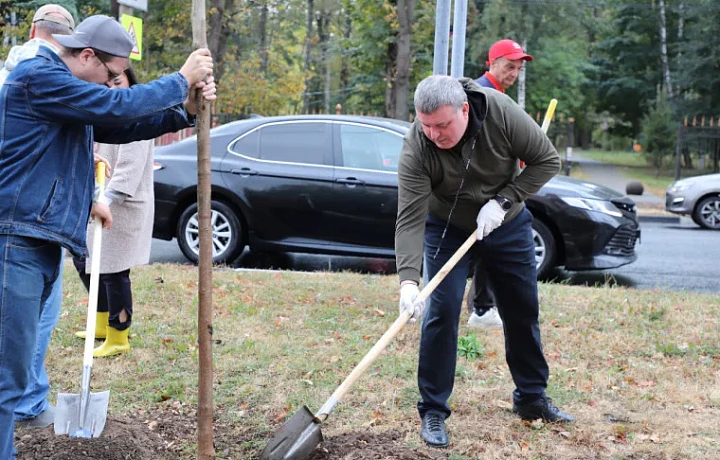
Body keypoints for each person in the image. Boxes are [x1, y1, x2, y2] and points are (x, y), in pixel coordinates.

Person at [0, 14, 216, 459]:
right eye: (112, 74)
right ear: (85, 56)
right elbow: (116, 108)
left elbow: (118, 126)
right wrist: (180, 80)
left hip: (36, 241)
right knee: (5, 382)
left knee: (13, 378)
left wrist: (186, 111)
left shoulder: (61, 93)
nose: (114, 84)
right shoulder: (38, 76)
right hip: (13, 242)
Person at [396, 75, 574, 448]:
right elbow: (410, 217)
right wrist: (409, 282)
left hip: (505, 222)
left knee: (521, 307)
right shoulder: (417, 145)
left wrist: (505, 200)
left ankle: (531, 398)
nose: (434, 135)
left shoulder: (502, 113)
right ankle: (433, 409)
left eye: (442, 125)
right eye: (426, 125)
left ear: (464, 109)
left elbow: (547, 160)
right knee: (441, 311)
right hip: (447, 225)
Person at [0, 3, 75, 430]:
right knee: (30, 324)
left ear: (31, 29)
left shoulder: (12, 73)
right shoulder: (42, 77)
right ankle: (25, 404)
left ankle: (28, 399)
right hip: (24, 221)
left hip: (34, 219)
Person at [72, 66, 155, 357]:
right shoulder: (105, 116)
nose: (111, 88)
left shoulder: (137, 119)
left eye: (117, 81)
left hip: (124, 205)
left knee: (113, 272)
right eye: (106, 82)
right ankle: (99, 325)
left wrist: (106, 199)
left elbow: (129, 172)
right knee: (85, 263)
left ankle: (119, 335)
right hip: (99, 201)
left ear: (131, 82)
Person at [467, 39, 534, 330]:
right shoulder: (482, 94)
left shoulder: (499, 94)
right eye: (509, 66)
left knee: (487, 246)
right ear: (491, 63)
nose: (513, 73)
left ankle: (483, 307)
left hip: (495, 186)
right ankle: (482, 308)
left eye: (518, 69)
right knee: (487, 247)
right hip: (484, 188)